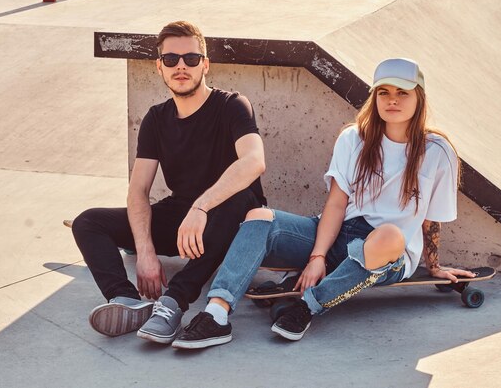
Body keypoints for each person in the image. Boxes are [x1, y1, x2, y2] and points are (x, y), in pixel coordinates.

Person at [171, 57, 475, 349]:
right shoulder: (354, 138)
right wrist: (317, 255)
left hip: (387, 253)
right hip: (336, 235)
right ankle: (216, 314)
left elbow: (429, 219)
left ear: (418, 98)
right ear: (375, 96)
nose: (392, 100)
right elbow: (336, 204)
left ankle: (307, 306)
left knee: (390, 235)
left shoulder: (438, 151)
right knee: (258, 216)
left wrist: (433, 266)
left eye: (402, 93)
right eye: (384, 92)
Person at [71, 21, 266, 344]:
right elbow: (138, 191)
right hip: (183, 223)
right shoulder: (156, 118)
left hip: (230, 223)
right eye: (171, 59)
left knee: (240, 197)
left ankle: (173, 302)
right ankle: (128, 300)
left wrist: (201, 206)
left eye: (191, 59)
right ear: (159, 66)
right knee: (89, 221)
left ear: (205, 64)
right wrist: (146, 252)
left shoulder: (232, 105)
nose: (181, 66)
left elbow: (254, 161)